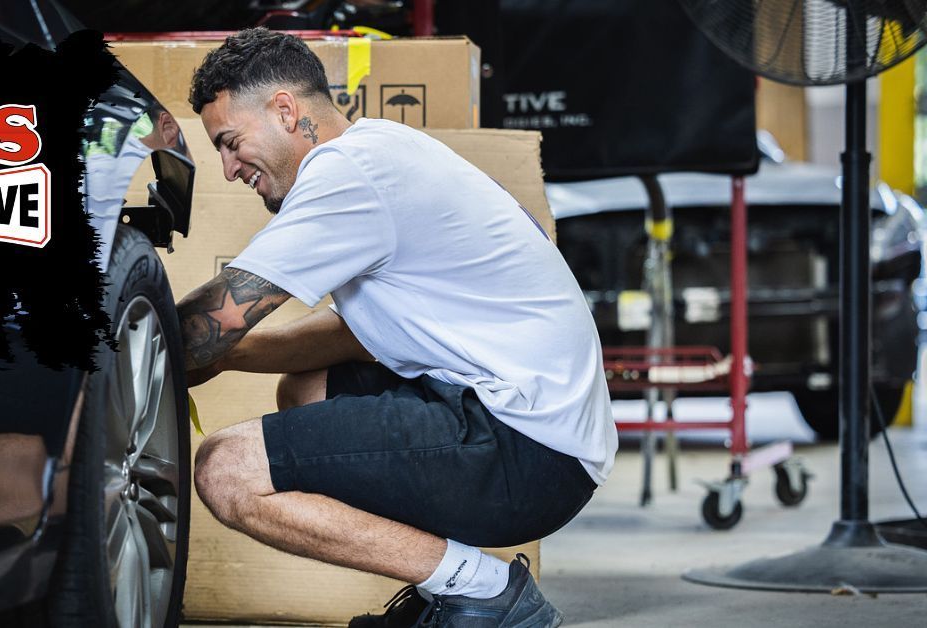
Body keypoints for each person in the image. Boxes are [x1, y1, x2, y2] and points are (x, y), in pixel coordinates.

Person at [177, 27, 617, 627]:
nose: (228, 169)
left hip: (527, 449)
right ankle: (449, 591)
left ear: (285, 110)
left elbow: (212, 321)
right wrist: (225, 358)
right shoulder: (379, 148)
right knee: (308, 389)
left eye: (231, 142)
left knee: (225, 469)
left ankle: (484, 591)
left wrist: (116, 349)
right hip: (536, 431)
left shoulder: (348, 175)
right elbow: (353, 337)